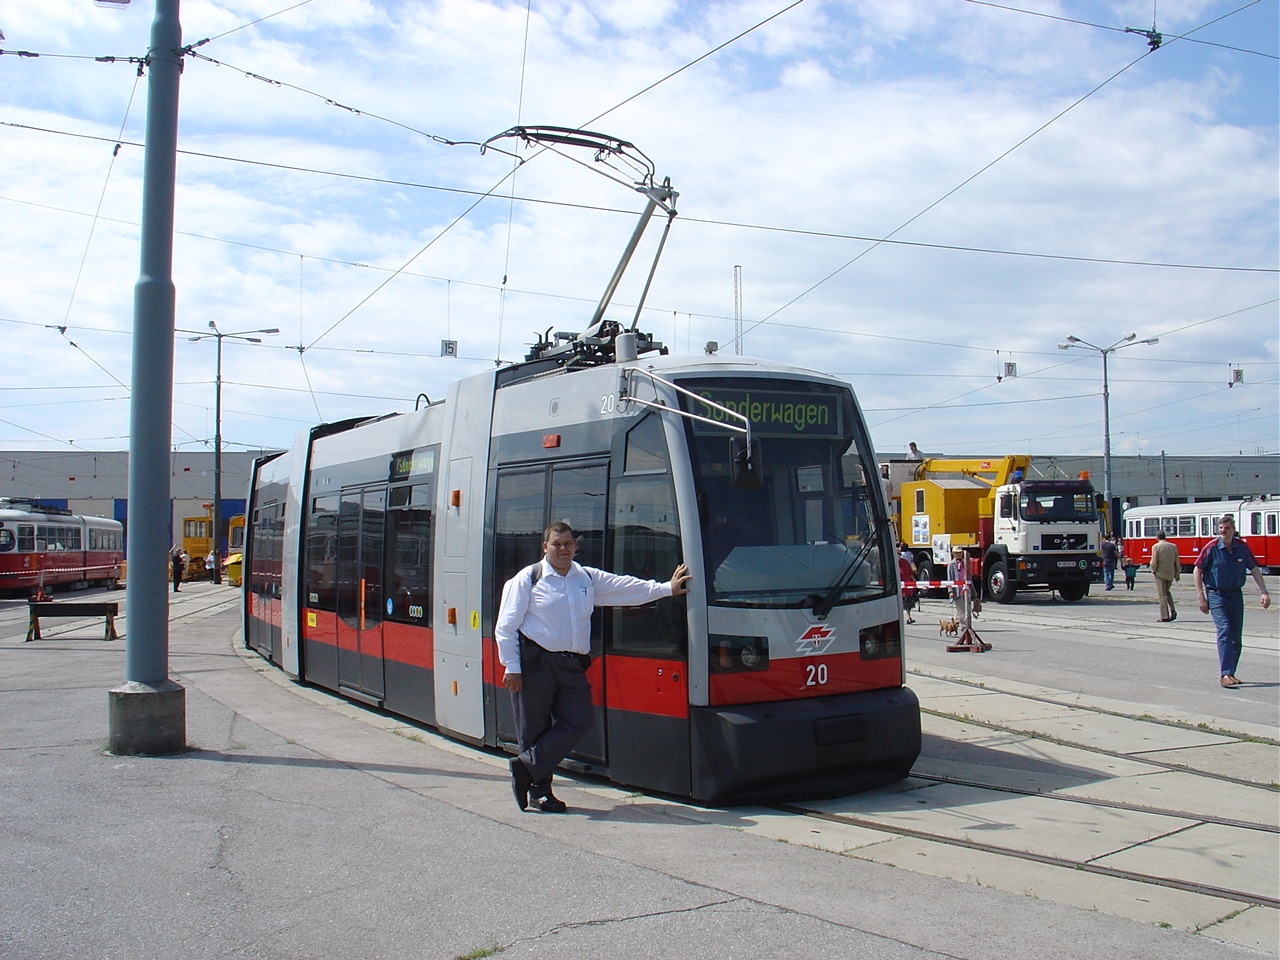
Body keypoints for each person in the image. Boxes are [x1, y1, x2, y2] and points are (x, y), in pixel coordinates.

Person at [496, 521, 692, 813]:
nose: (563, 549)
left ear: (575, 546)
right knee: (534, 729)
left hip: (571, 664)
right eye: (557, 544)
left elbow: (625, 587)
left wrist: (666, 588)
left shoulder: (586, 577)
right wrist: (512, 667)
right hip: (535, 663)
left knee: (580, 720)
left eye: (568, 543)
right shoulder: (528, 579)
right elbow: (505, 626)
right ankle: (540, 792)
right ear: (545, 547)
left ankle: (525, 767)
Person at [1193, 515, 1270, 688]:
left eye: (1227, 528)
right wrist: (1201, 597)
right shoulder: (1212, 547)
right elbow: (1198, 570)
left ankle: (1231, 673)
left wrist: (1264, 592)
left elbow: (1254, 569)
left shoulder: (1241, 548)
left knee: (1236, 637)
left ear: (1233, 530)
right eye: (1221, 528)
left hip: (1235, 595)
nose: (1223, 531)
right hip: (1216, 595)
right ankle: (1225, 674)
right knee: (1225, 631)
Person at [1149, 531, 1180, 621]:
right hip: (1170, 572)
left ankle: (1164, 616)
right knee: (1167, 591)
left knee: (1162, 595)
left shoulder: (1156, 546)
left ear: (1157, 537)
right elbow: (1177, 561)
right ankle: (1173, 610)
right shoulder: (1173, 546)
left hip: (1160, 573)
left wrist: (1153, 570)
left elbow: (1154, 561)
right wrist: (1177, 574)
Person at [897, 545, 917, 624]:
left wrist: (914, 580)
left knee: (908, 604)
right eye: (898, 554)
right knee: (898, 605)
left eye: (900, 554)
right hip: (898, 588)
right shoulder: (892, 563)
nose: (899, 556)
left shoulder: (905, 562)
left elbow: (910, 573)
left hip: (907, 587)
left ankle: (909, 618)